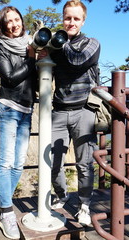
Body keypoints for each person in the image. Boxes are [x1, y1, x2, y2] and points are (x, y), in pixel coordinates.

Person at [42, 0, 101, 227]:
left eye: (76, 19)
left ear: (83, 20)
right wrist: (40, 54)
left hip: (84, 110)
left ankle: (84, 205)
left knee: (84, 163)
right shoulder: (57, 47)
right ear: (63, 18)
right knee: (53, 162)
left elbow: (77, 61)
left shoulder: (92, 43)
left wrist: (59, 42)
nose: (71, 22)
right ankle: (61, 194)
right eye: (68, 18)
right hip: (59, 110)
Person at [0, 6, 37, 239]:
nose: (14, 24)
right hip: (7, 109)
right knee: (6, 162)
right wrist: (31, 60)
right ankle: (7, 212)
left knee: (19, 164)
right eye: (8, 21)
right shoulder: (0, 48)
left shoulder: (32, 45)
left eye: (16, 19)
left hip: (26, 111)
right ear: (3, 25)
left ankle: (3, 204)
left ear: (22, 21)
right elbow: (9, 78)